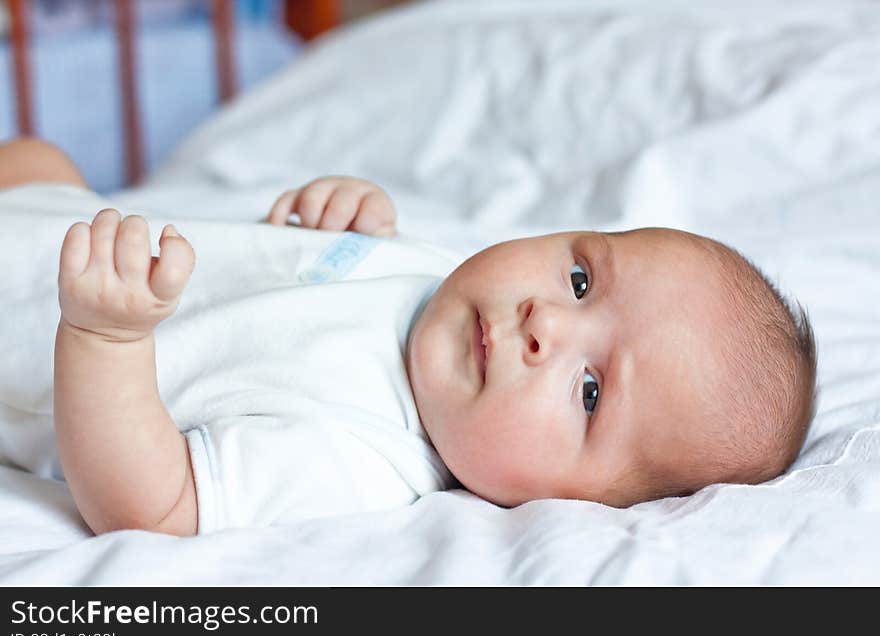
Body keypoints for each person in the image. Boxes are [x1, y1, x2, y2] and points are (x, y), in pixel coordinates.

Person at [0, 137, 817, 537]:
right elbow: (280, 277)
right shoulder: (444, 286)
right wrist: (344, 221)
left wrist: (105, 340)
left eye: (591, 391)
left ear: (574, 507)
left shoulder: (359, 463)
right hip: (64, 224)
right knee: (30, 153)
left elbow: (155, 505)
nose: (547, 323)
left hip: (32, 327)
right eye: (580, 279)